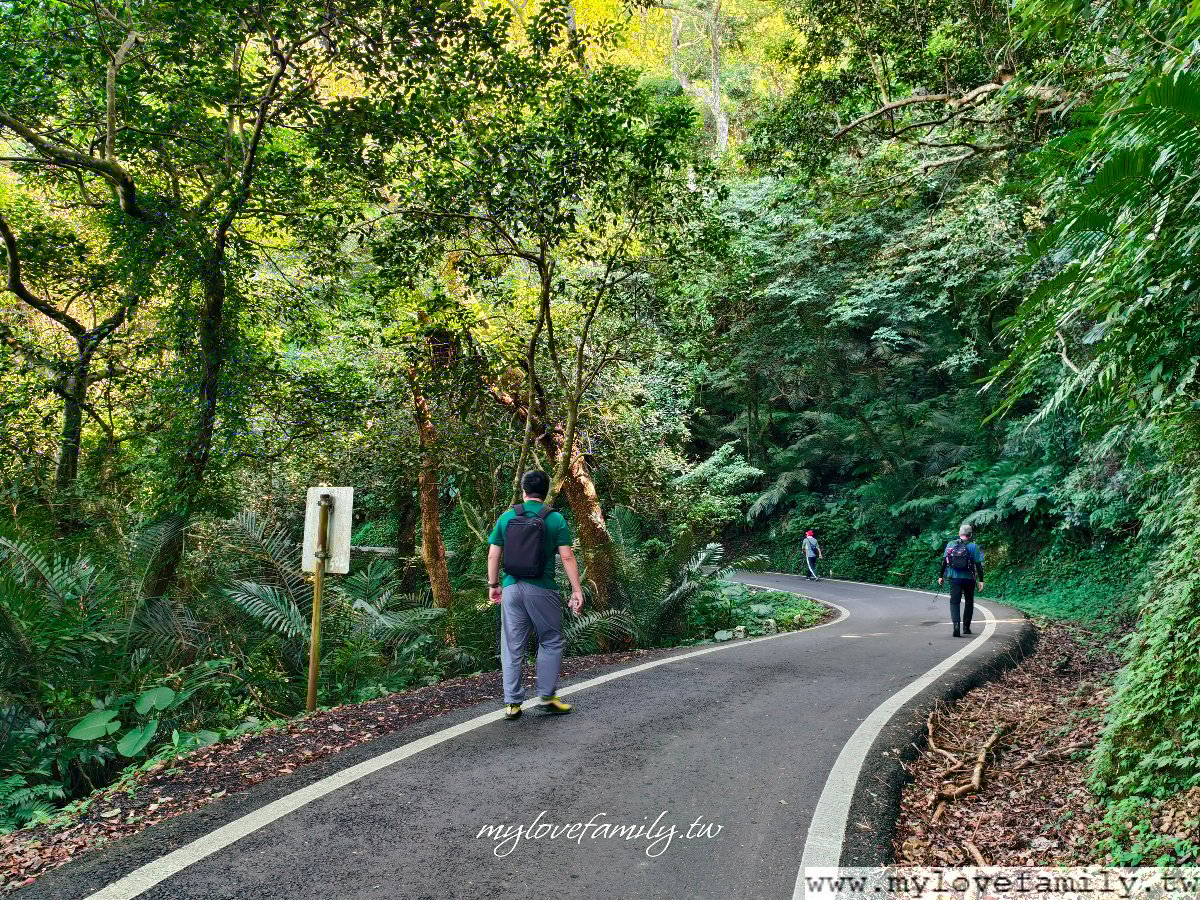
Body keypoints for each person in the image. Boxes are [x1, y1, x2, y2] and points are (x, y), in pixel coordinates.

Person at [487, 471, 585, 721]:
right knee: (550, 640)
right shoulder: (555, 519)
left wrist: (493, 585)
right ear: (546, 491)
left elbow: (493, 554)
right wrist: (576, 589)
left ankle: (512, 703)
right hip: (542, 588)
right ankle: (547, 698)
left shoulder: (507, 517)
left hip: (511, 587)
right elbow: (567, 556)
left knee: (512, 646)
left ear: (523, 491)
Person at [938, 523, 984, 638]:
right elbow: (978, 565)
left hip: (955, 578)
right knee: (969, 602)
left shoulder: (950, 544)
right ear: (970, 535)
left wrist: (941, 576)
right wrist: (981, 580)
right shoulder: (974, 546)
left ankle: (956, 626)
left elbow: (944, 562)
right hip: (969, 579)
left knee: (955, 602)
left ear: (959, 533)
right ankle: (966, 628)